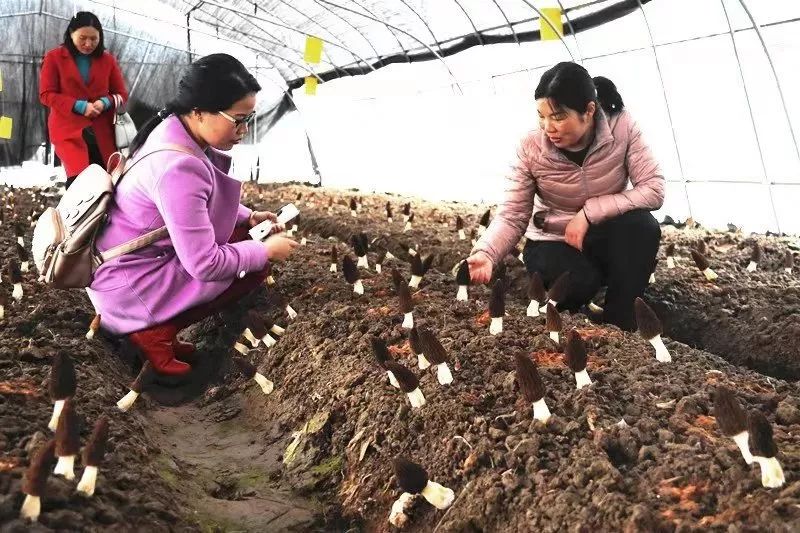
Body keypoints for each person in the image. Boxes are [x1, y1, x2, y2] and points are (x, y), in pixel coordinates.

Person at [86, 53, 298, 376]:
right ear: (199, 112)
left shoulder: (173, 128)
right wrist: (263, 251)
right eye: (238, 119)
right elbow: (205, 263)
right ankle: (153, 331)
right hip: (126, 289)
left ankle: (158, 325)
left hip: (121, 272)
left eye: (248, 119)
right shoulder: (178, 166)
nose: (244, 130)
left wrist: (248, 217)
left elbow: (191, 205)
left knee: (242, 240)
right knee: (251, 264)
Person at [467, 62, 664, 331]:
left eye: (558, 117)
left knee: (643, 227)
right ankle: (572, 303)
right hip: (552, 241)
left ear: (589, 110)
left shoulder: (622, 127)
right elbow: (513, 214)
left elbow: (653, 188)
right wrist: (486, 253)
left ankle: (620, 321)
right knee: (579, 283)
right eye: (541, 116)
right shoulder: (531, 147)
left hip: (599, 234)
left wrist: (588, 213)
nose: (548, 127)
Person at [39, 11, 128, 189]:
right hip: (68, 130)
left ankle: (107, 217)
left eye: (94, 39)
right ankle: (77, 215)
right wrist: (79, 106)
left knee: (106, 181)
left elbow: (121, 94)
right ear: (71, 34)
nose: (88, 44)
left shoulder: (108, 60)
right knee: (78, 181)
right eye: (83, 38)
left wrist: (106, 102)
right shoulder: (54, 58)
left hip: (102, 132)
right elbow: (46, 94)